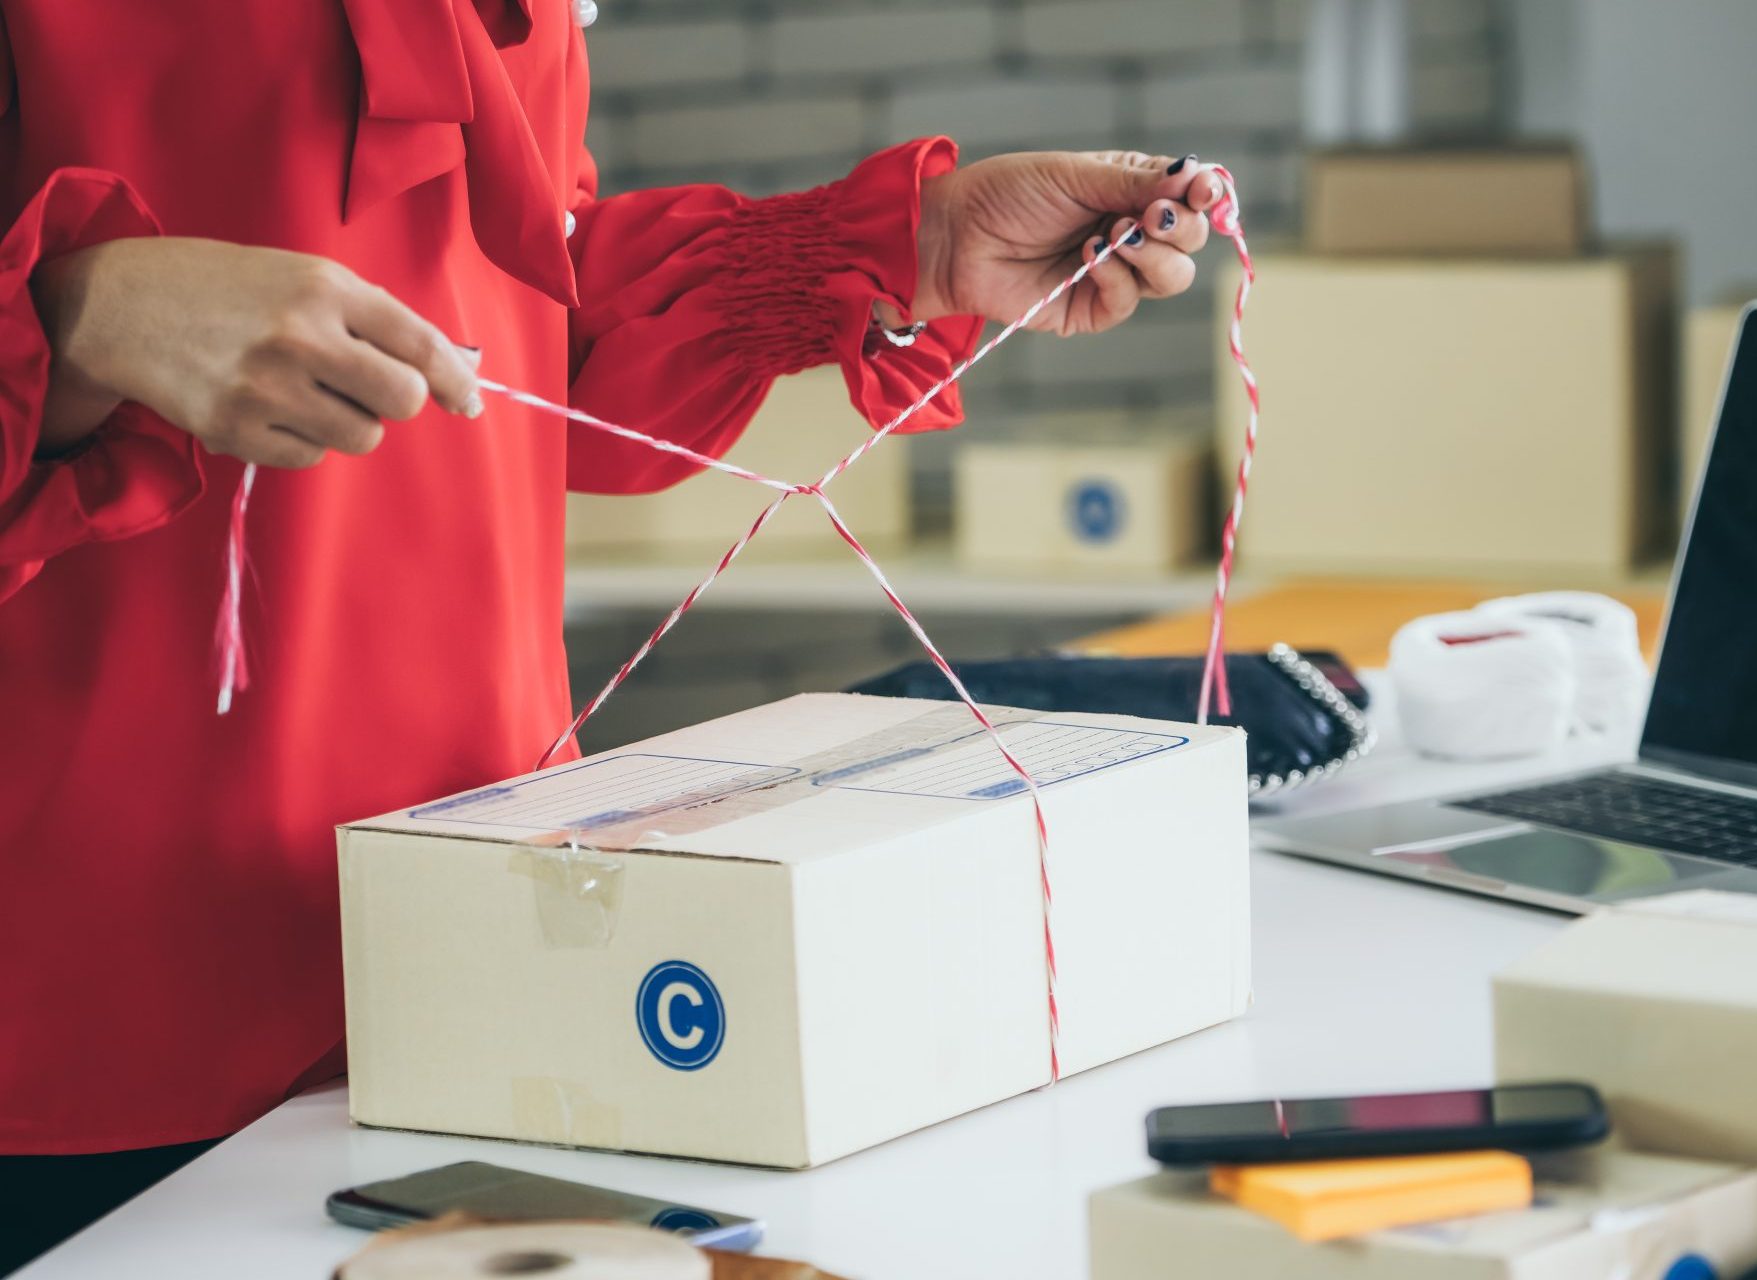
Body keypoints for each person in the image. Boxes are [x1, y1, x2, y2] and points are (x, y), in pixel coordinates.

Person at [0, 3, 1221, 1268]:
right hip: (100, 995)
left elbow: (521, 341)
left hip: (493, 924)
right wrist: (83, 313)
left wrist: (911, 247)